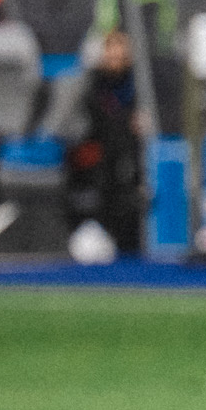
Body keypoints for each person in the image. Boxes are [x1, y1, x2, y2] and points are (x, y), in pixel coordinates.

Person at [63, 27, 148, 258]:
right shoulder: (92, 86)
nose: (115, 61)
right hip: (100, 155)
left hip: (128, 156)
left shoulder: (139, 86)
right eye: (111, 55)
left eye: (121, 56)